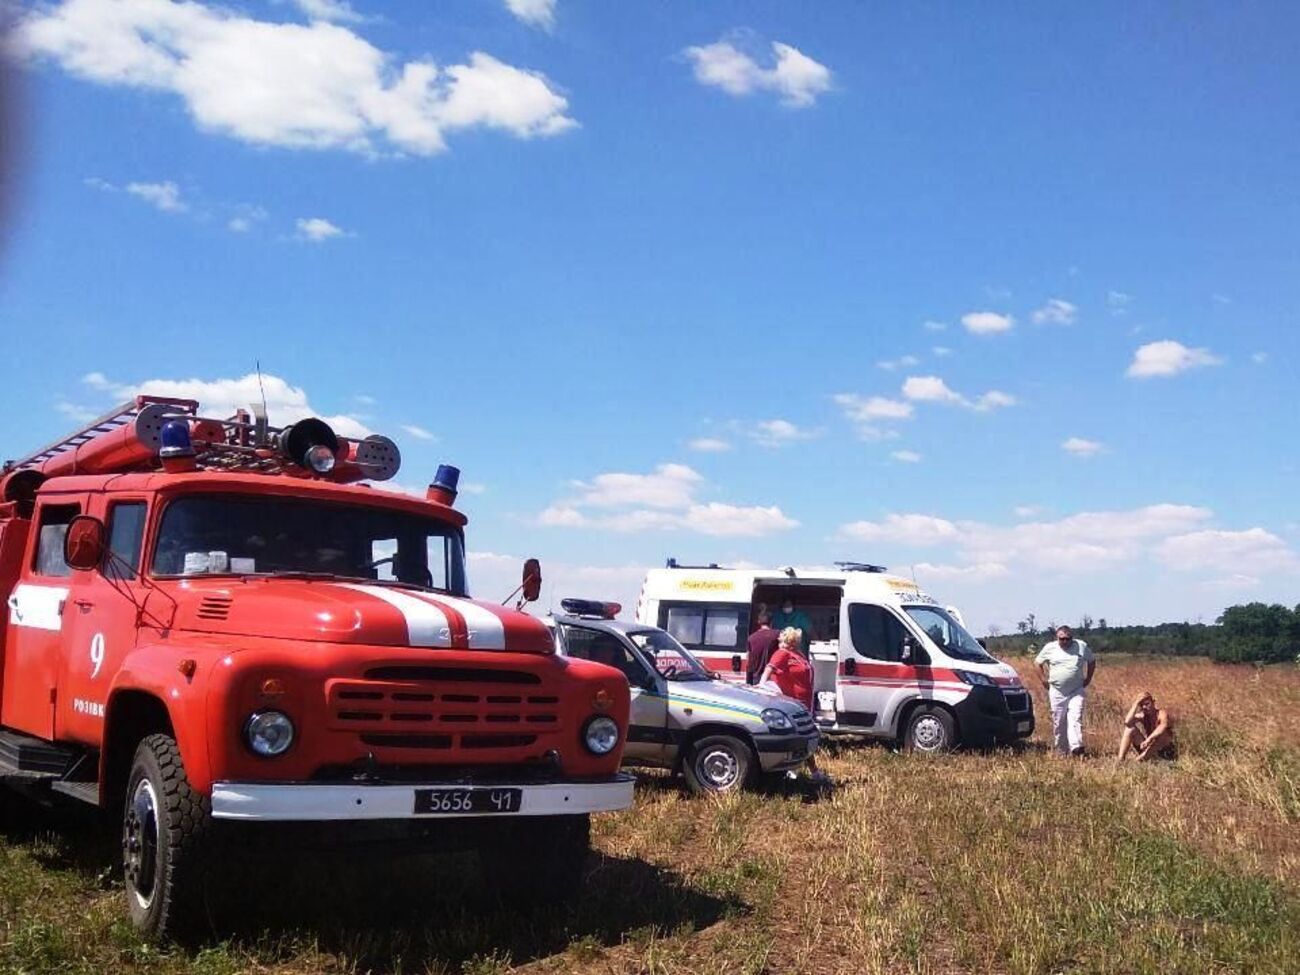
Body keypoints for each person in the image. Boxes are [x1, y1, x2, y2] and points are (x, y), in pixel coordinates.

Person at [759, 627, 828, 785]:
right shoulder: (782, 653)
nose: (779, 641)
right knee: (804, 737)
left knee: (804, 737)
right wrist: (762, 685)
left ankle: (795, 770)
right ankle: (810, 772)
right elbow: (769, 669)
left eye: (782, 639)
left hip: (804, 702)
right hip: (793, 703)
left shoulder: (798, 654)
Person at [1034, 625, 1095, 756]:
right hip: (1057, 691)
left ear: (1072, 638)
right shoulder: (1050, 648)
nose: (1065, 641)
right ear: (1057, 638)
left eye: (1068, 639)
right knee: (1059, 721)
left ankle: (1076, 747)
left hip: (1076, 690)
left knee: (1075, 717)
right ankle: (1062, 751)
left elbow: (1091, 661)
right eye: (1062, 639)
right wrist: (1043, 680)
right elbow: (1037, 663)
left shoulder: (1081, 646)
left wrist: (1088, 678)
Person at [1116, 691, 1176, 763]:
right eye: (1141, 705)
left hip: (1165, 751)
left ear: (1153, 702)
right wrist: (1135, 704)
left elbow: (1163, 726)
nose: (1144, 707)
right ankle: (1120, 760)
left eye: (1147, 704)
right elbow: (1127, 722)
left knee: (1164, 735)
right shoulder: (1143, 715)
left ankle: (1137, 761)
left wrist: (1148, 740)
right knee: (1130, 729)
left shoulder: (1161, 713)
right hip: (1150, 750)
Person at [745, 609, 779, 685]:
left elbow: (749, 662)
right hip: (773, 678)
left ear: (759, 622)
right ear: (771, 622)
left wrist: (748, 681)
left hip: (756, 678)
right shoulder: (778, 635)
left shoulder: (751, 638)